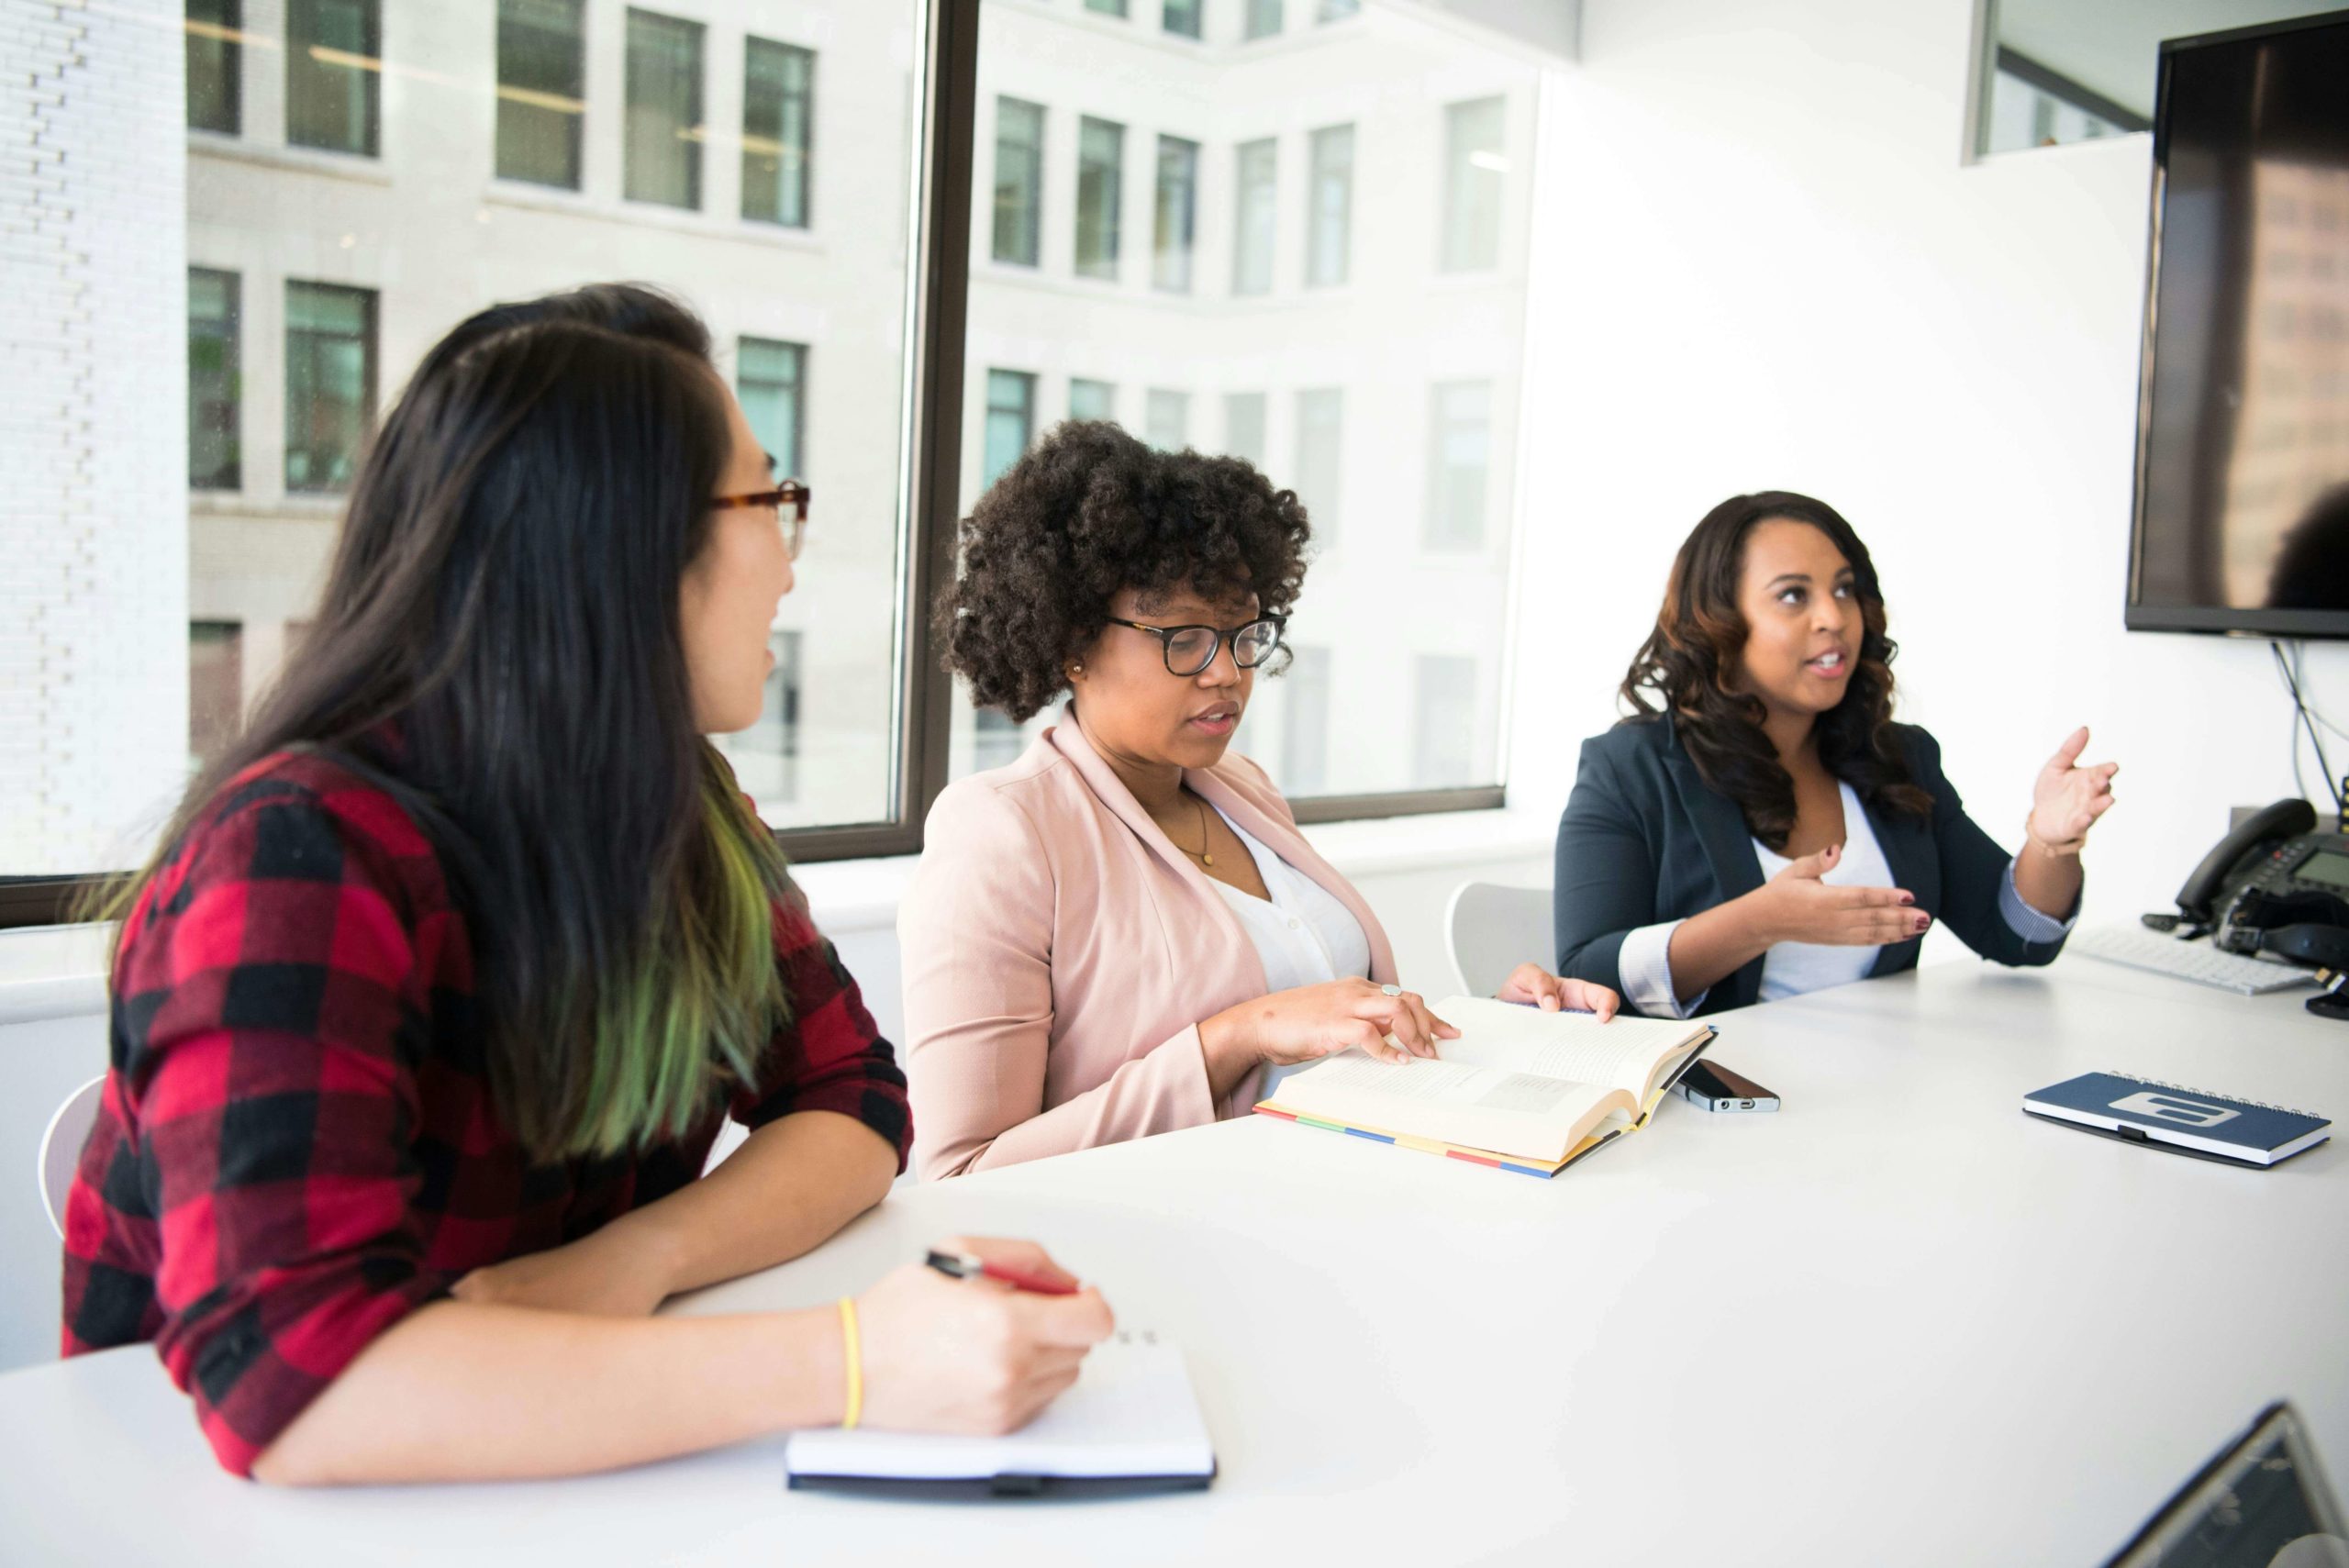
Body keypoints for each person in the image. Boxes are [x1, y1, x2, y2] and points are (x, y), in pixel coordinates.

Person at [60, 284, 1110, 1485]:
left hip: (554, 1478)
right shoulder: (293, 854)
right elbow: (295, 1386)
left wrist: (643, 1257)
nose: (788, 558)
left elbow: (852, 1100)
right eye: (769, 498)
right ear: (623, 547)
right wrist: (853, 1365)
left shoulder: (679, 804)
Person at [901, 421, 1618, 1178]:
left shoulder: (1244, 788)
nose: (1227, 674)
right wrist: (1237, 1035)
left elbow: (1331, 1037)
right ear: (1072, 640)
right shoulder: (1004, 831)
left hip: (1345, 1198)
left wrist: (1492, 1028)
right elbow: (965, 1172)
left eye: (1244, 634)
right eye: (1185, 637)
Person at [1553, 490, 2118, 1018]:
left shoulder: (1898, 759)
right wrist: (1761, 921)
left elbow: (2020, 938)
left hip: (1878, 1095)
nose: (1834, 618)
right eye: (1793, 595)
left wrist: (2051, 841)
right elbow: (1589, 975)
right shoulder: (1631, 767)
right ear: (1719, 622)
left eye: (1844, 589)